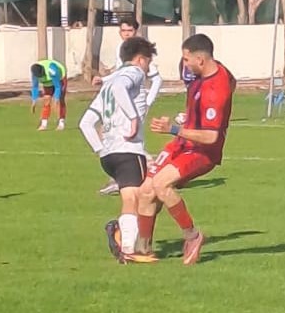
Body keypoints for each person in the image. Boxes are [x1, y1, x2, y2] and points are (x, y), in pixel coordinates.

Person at [134, 34, 237, 265]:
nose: (184, 64)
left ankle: (192, 235)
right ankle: (143, 248)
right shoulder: (215, 71)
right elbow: (234, 81)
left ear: (200, 60)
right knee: (146, 190)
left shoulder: (215, 91)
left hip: (202, 151)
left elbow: (211, 137)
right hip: (183, 142)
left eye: (187, 59)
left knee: (161, 184)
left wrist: (173, 128)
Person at [81, 36, 159, 265]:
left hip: (108, 156)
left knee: (143, 193)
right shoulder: (132, 73)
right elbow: (119, 87)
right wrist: (134, 118)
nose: (147, 69)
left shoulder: (105, 88)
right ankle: (127, 248)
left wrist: (100, 149)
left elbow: (85, 123)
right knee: (133, 198)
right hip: (128, 150)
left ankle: (122, 234)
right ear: (140, 59)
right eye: (147, 62)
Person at [97, 17, 164, 197]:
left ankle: (136, 175)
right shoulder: (123, 51)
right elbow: (119, 76)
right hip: (122, 101)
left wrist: (148, 101)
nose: (126, 34)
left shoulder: (140, 52)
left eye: (129, 31)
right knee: (108, 132)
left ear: (135, 31)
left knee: (122, 137)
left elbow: (157, 79)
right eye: (123, 31)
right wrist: (103, 80)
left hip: (133, 103)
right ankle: (126, 176)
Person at [30, 57, 68, 131]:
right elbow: (35, 86)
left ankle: (61, 123)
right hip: (47, 82)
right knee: (46, 100)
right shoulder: (34, 73)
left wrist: (56, 98)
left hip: (59, 79)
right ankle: (44, 124)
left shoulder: (52, 70)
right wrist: (34, 100)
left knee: (60, 100)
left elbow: (57, 86)